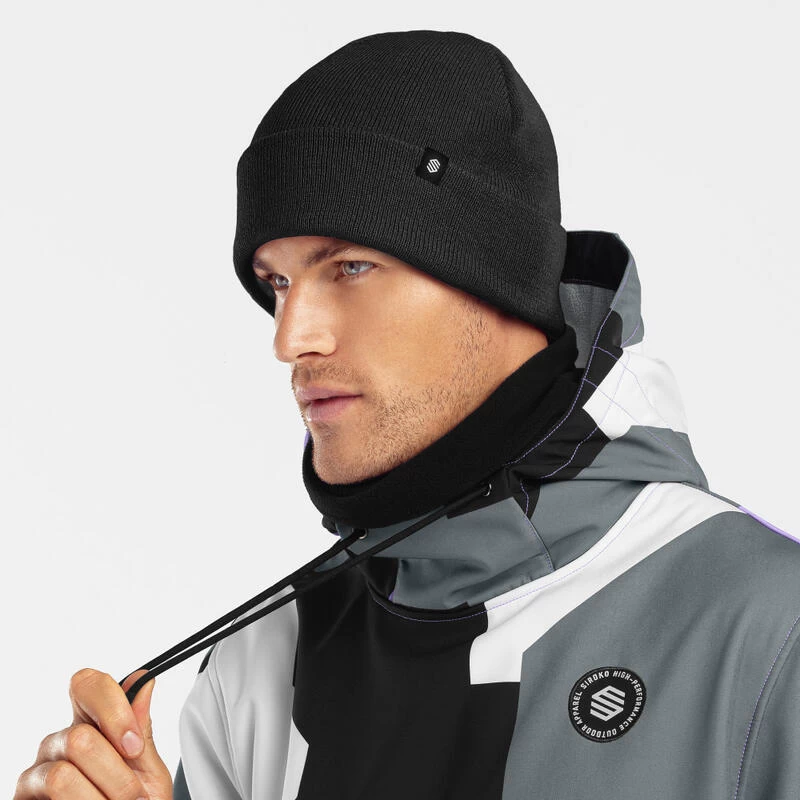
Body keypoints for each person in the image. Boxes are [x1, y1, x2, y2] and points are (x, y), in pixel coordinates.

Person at [14, 28, 800, 800]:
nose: (290, 339)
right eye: (277, 282)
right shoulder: (264, 667)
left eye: (351, 266)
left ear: (496, 278)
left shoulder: (768, 631)